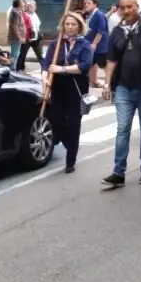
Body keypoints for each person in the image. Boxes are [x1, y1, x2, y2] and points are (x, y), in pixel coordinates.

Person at [101, 0, 141, 188]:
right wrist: (106, 84)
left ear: (137, 7)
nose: (126, 11)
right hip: (123, 87)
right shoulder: (116, 32)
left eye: (130, 7)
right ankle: (118, 172)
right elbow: (111, 60)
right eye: (123, 7)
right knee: (122, 129)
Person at [40, 11, 94, 174]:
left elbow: (84, 66)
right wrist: (45, 78)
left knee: (74, 124)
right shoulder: (55, 44)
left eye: (73, 24)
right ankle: (67, 142)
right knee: (55, 120)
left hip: (76, 87)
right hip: (58, 86)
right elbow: (47, 64)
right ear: (63, 26)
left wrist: (62, 69)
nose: (70, 27)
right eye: (67, 24)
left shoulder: (85, 45)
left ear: (79, 26)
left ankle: (71, 160)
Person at [83, 0, 110, 89]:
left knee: (104, 66)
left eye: (89, 3)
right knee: (91, 65)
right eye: (85, 3)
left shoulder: (99, 15)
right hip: (91, 46)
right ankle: (93, 81)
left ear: (95, 5)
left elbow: (101, 31)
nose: (86, 5)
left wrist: (94, 43)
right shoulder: (89, 15)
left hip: (100, 47)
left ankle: (110, 84)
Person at [7, 0, 26, 70]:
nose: (24, 3)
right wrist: (19, 38)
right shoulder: (15, 12)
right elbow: (14, 26)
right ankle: (12, 70)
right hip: (15, 39)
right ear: (18, 3)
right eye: (22, 2)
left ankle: (13, 69)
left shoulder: (17, 11)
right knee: (15, 55)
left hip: (16, 38)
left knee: (16, 54)